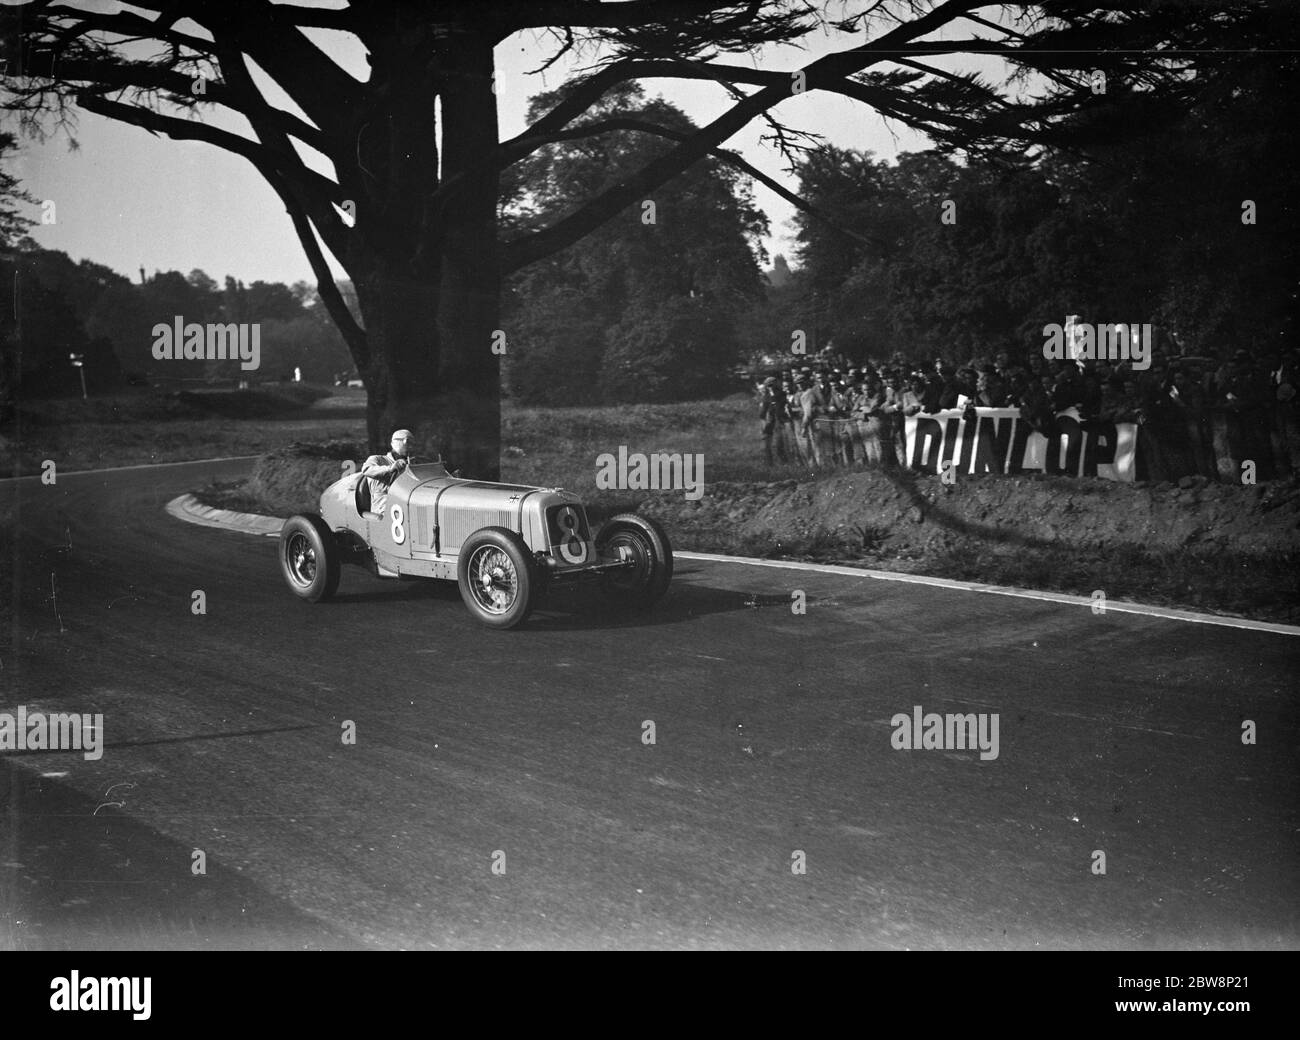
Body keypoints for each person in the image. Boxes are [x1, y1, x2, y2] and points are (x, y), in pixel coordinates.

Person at [361, 429, 414, 516]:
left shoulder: (410, 462)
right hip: (383, 505)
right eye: (408, 442)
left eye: (412, 443)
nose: (411, 446)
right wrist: (390, 468)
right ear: (396, 442)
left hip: (405, 500)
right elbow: (366, 469)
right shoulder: (377, 459)